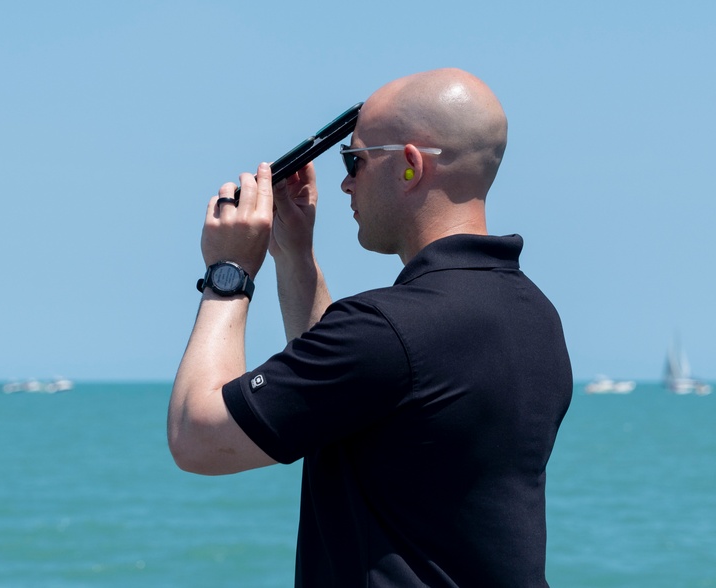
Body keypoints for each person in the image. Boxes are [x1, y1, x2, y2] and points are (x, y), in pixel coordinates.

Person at [168, 68, 572, 587]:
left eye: (354, 160)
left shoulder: (388, 328)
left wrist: (229, 273)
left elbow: (197, 437)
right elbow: (347, 397)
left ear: (409, 165)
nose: (344, 182)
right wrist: (295, 255)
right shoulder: (533, 315)